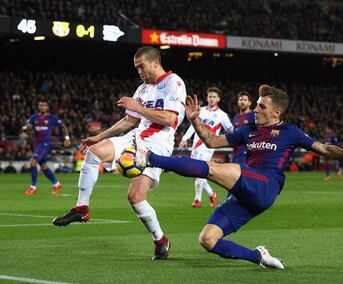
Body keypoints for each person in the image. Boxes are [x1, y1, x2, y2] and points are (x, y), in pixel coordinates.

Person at [124, 84, 343, 269]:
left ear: (276, 112)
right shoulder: (249, 131)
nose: (255, 109)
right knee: (208, 240)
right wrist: (195, 121)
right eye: (256, 104)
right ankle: (259, 257)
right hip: (245, 191)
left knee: (212, 167)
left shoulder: (290, 131)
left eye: (261, 106)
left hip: (266, 185)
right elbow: (212, 140)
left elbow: (324, 149)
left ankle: (149, 158)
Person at [53, 46, 187, 261]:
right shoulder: (142, 89)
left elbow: (170, 119)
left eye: (141, 67)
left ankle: (161, 240)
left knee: (135, 197)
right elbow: (129, 121)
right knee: (94, 152)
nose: (139, 72)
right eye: (136, 68)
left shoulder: (174, 83)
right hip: (134, 137)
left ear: (154, 62)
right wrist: (98, 137)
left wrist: (139, 108)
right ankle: (81, 208)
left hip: (157, 144)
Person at [179, 87, 233, 208]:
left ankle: (197, 200)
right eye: (210, 96)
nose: (212, 99)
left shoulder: (222, 115)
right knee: (197, 172)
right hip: (196, 145)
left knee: (199, 171)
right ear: (207, 98)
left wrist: (229, 139)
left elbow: (230, 129)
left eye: (214, 97)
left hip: (208, 146)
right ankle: (212, 194)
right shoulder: (200, 110)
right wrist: (184, 138)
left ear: (218, 99)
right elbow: (193, 126)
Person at [22, 100, 70, 195]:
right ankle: (56, 184)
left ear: (47, 107)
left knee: (33, 162)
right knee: (44, 167)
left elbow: (63, 126)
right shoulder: (34, 117)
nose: (42, 107)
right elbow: (25, 128)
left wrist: (67, 137)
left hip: (45, 144)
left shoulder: (52, 117)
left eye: (44, 105)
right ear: (38, 107)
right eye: (41, 105)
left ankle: (33, 187)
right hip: (36, 145)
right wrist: (26, 129)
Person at [231, 91, 255, 164]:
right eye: (241, 99)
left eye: (245, 100)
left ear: (249, 103)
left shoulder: (254, 116)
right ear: (238, 102)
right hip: (236, 151)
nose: (242, 102)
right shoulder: (236, 117)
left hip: (248, 152)